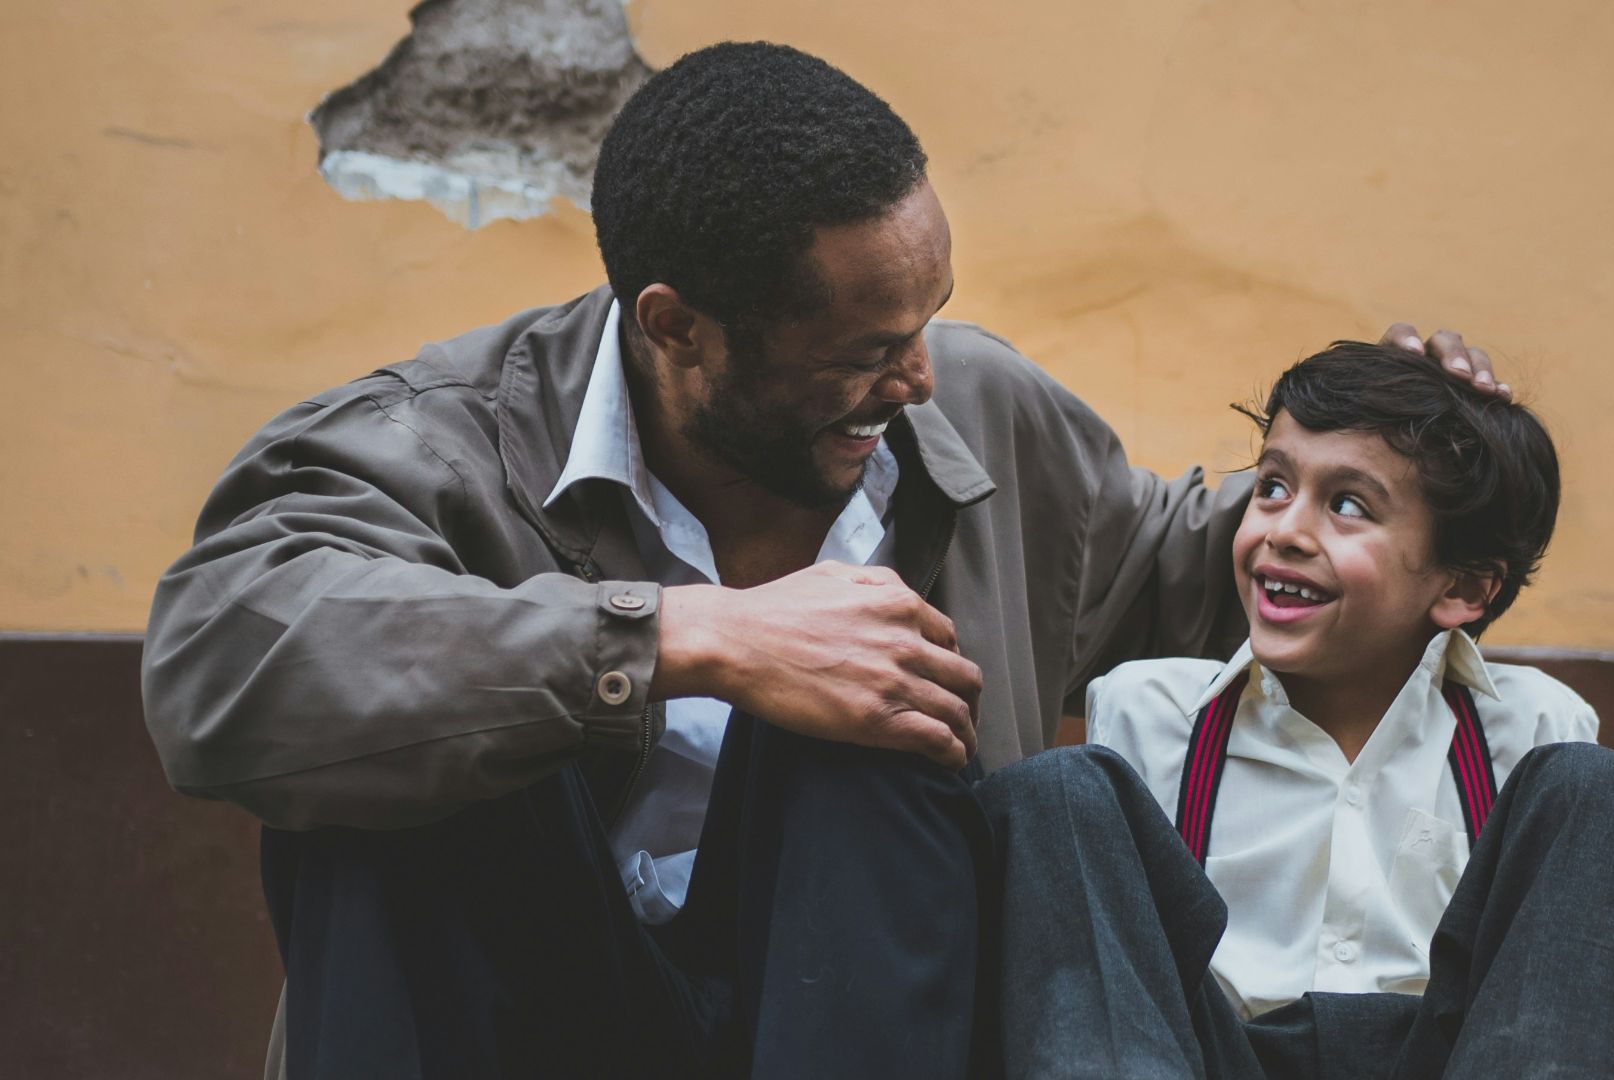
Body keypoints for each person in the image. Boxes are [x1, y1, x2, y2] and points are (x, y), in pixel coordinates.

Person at [141, 43, 1509, 1079]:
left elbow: (1178, 568)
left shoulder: (972, 408)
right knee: (410, 770)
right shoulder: (431, 445)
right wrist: (690, 640)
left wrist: (1379, 484)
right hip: (522, 1014)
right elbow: (225, 660)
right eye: (863, 350)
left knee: (878, 700)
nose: (918, 378)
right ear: (677, 328)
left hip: (873, 1019)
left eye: (932, 320)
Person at [1066, 342, 1614, 1078]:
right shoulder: (1152, 713)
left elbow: (1549, 991)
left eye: (1348, 505)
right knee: (1056, 793)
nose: (1283, 529)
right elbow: (1124, 989)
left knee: (1606, 790)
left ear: (1465, 590)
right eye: (1273, 486)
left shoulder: (1536, 732)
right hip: (1208, 1060)